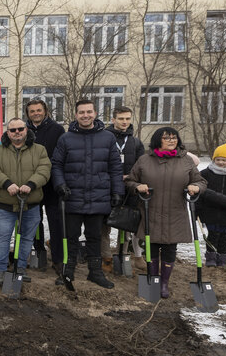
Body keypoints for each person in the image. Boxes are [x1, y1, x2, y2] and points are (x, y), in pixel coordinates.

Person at [124, 127, 206, 298]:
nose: (171, 140)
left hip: (175, 212)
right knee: (151, 247)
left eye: (174, 138)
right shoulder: (144, 160)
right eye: (167, 138)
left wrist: (196, 187)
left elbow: (201, 181)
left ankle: (164, 283)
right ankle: (153, 279)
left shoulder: (186, 161)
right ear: (157, 140)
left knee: (170, 248)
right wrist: (137, 186)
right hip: (150, 210)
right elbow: (130, 180)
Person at [51, 99, 123, 289]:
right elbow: (56, 165)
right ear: (76, 115)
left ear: (94, 113)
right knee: (71, 237)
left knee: (95, 237)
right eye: (81, 112)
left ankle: (95, 273)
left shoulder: (107, 138)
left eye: (89, 112)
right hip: (72, 197)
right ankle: (68, 272)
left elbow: (115, 167)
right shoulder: (66, 139)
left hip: (98, 197)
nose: (85, 115)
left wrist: (117, 191)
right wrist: (60, 184)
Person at [0, 118, 51, 285]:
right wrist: (7, 183)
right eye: (13, 130)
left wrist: (31, 184)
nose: (17, 132)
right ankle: (0, 270)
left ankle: (20, 268)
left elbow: (44, 169)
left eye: (20, 129)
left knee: (26, 238)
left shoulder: (39, 150)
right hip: (5, 204)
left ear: (26, 130)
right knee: (2, 238)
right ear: (8, 132)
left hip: (31, 203)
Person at [100, 106, 146, 272]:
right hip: (108, 187)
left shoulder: (135, 142)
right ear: (113, 120)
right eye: (121, 119)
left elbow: (142, 165)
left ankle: (123, 254)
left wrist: (131, 177)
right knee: (104, 224)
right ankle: (105, 257)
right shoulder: (103, 138)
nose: (124, 122)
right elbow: (99, 161)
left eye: (127, 118)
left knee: (126, 223)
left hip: (129, 188)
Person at [25, 99, 66, 273]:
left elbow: (61, 156)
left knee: (56, 222)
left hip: (51, 184)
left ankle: (57, 258)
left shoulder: (57, 130)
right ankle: (38, 252)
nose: (36, 113)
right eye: (32, 111)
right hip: (31, 183)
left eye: (39, 110)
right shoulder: (23, 130)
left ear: (45, 111)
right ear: (28, 113)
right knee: (35, 221)